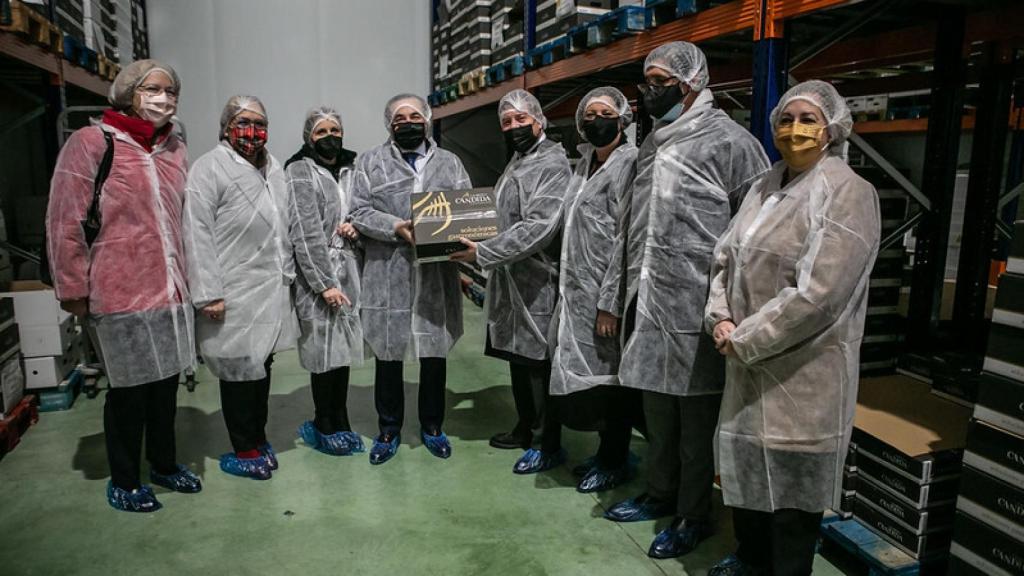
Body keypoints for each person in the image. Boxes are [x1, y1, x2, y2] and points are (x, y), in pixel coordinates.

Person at [600, 41, 770, 560]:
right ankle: (659, 492)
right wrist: (615, 297)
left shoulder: (732, 143)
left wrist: (734, 313)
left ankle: (693, 515)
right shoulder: (652, 142)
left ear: (691, 82)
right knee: (658, 417)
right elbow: (631, 227)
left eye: (660, 81)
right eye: (647, 81)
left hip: (700, 308)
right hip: (650, 304)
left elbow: (754, 236)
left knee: (697, 428)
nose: (649, 90)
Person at [704, 80, 880, 576]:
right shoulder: (765, 184)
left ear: (832, 128)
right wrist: (719, 317)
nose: (794, 129)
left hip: (802, 376)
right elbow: (724, 258)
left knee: (791, 502)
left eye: (808, 120)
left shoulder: (847, 192)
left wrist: (745, 339)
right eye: (786, 119)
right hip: (744, 365)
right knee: (747, 483)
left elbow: (819, 295)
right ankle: (749, 559)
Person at [46, 59, 200, 512]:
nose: (164, 98)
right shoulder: (92, 142)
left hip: (170, 290)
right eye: (153, 89)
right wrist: (72, 288)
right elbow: (64, 219)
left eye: (170, 91)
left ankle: (164, 464)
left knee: (165, 388)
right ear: (128, 93)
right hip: (118, 291)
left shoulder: (174, 148)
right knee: (129, 393)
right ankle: (125, 479)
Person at [450, 89, 572, 468]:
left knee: (538, 363)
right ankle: (525, 426)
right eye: (507, 121)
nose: (514, 126)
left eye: (521, 119)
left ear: (539, 120)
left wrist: (483, 252)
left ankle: (546, 442)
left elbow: (539, 227)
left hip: (537, 280)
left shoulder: (552, 165)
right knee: (518, 359)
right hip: (512, 278)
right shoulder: (519, 162)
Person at [349, 93, 471, 465]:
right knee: (388, 353)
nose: (407, 123)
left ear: (427, 120)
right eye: (399, 118)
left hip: (436, 273)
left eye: (414, 116)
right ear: (389, 124)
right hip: (389, 272)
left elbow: (467, 209)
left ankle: (432, 426)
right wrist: (394, 227)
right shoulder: (370, 162)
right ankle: (388, 429)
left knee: (434, 353)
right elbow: (358, 211)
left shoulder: (449, 163)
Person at [532, 87, 640, 492]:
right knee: (590, 378)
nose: (597, 121)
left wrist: (610, 302)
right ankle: (604, 454)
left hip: (605, 296)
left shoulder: (630, 165)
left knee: (613, 380)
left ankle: (615, 460)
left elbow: (626, 239)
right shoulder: (583, 165)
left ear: (622, 119)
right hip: (575, 290)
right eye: (590, 114)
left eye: (605, 113)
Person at [183, 95, 296, 481]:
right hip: (231, 287)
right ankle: (243, 447)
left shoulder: (274, 167)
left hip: (269, 286)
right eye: (243, 123)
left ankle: (258, 437)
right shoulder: (208, 168)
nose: (252, 131)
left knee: (262, 365)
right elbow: (196, 232)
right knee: (237, 369)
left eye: (259, 123)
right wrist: (208, 292)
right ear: (226, 127)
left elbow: (283, 227)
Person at [285, 106, 366, 456]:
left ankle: (341, 419)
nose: (330, 137)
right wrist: (324, 283)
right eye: (321, 132)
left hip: (350, 269)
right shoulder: (299, 171)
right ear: (309, 137)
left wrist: (357, 228)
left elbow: (363, 208)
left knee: (342, 352)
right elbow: (304, 231)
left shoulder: (353, 168)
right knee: (322, 354)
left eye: (335, 130)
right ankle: (323, 423)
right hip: (316, 277)